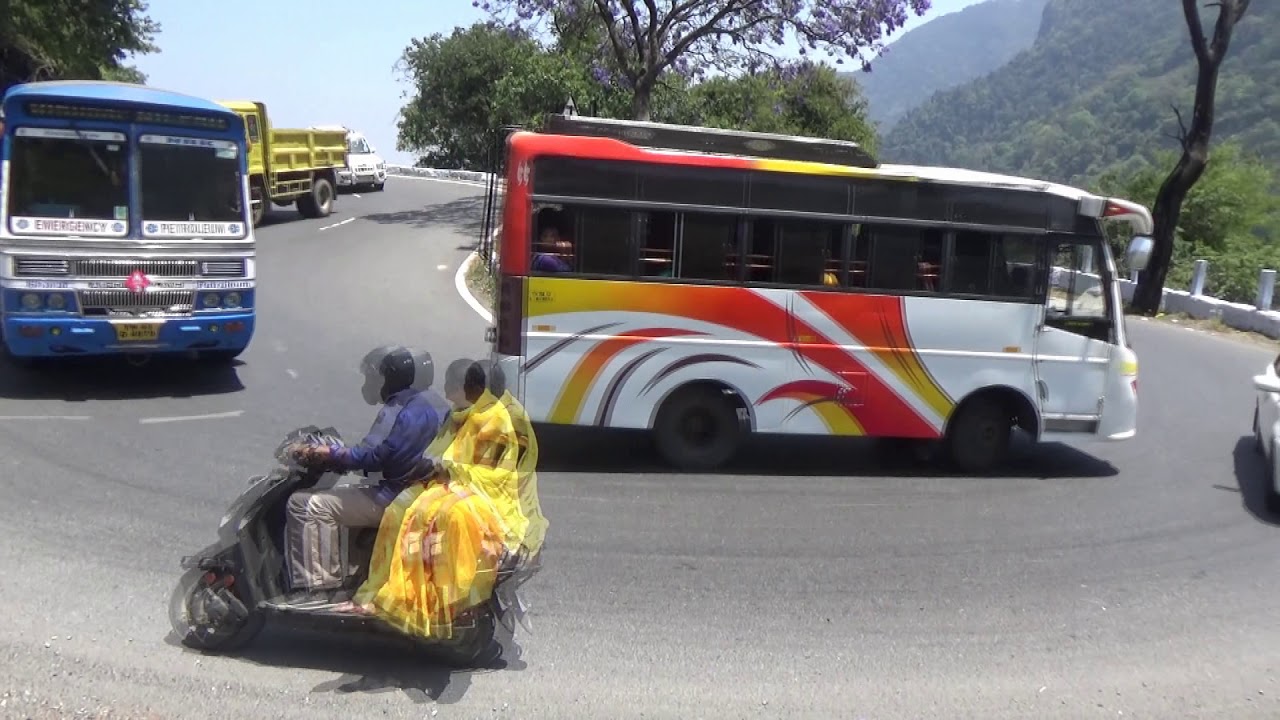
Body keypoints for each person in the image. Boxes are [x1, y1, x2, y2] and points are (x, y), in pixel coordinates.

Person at [345, 360, 530, 638]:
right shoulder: (463, 415)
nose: (446, 390)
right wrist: (431, 466)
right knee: (401, 508)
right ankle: (389, 589)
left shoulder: (495, 423)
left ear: (472, 388)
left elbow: (496, 475)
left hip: (486, 494)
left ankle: (426, 601)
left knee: (430, 517)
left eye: (452, 385)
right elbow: (442, 450)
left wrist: (447, 469)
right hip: (454, 484)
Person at [282, 345, 445, 604]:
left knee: (306, 505)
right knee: (349, 494)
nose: (371, 382)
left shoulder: (400, 408)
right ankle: (357, 577)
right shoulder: (436, 404)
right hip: (423, 493)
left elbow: (373, 456)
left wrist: (327, 452)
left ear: (390, 378)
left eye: (375, 377)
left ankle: (319, 589)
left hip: (395, 497)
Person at [531, 207, 573, 273]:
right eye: (546, 236)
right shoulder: (544, 259)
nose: (552, 239)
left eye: (555, 235)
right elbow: (567, 271)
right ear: (540, 239)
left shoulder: (554, 256)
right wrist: (566, 254)